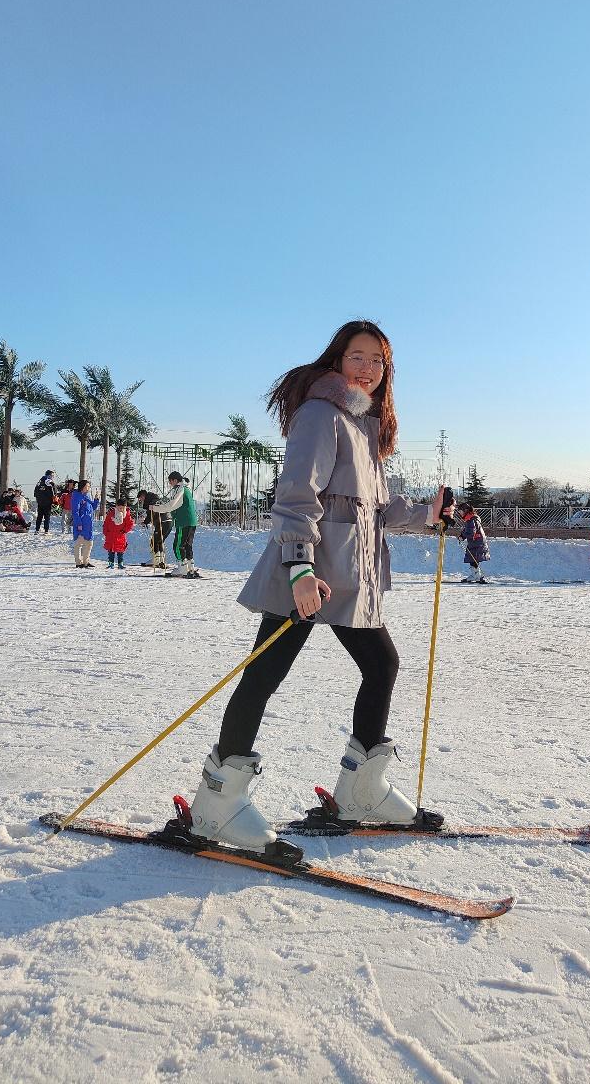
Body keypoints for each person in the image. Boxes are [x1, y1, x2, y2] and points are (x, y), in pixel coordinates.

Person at [182, 319, 453, 855]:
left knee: (381, 664)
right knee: (264, 675)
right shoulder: (320, 414)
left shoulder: (363, 425)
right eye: (357, 357)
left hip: (349, 577)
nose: (368, 369)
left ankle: (362, 790)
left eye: (378, 361)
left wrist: (427, 515)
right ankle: (217, 801)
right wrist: (300, 569)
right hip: (309, 575)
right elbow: (296, 496)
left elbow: (374, 508)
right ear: (336, 360)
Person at [152, 472, 200, 578]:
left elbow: (171, 505)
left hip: (183, 521)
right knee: (187, 545)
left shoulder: (180, 489)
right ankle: (190, 567)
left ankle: (182, 568)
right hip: (191, 521)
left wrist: (155, 508)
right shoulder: (186, 488)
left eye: (170, 481)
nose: (170, 483)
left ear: (175, 480)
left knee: (178, 545)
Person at [136, 489, 173, 569]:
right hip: (168, 522)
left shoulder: (152, 502)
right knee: (159, 541)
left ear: (143, 496)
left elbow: (151, 513)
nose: (141, 501)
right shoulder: (155, 499)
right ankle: (161, 560)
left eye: (140, 499)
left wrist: (145, 522)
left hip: (163, 522)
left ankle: (156, 560)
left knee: (154, 541)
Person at [70, 479, 100, 568]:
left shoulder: (87, 495)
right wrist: (78, 523)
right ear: (82, 487)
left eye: (89, 486)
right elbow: (75, 512)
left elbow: (93, 507)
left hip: (88, 523)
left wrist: (96, 499)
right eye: (87, 486)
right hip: (80, 523)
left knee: (89, 543)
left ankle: (86, 562)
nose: (89, 488)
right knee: (78, 543)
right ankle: (78, 563)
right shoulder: (76, 496)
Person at [457, 503, 490, 583]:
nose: (460, 513)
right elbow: (467, 530)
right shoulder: (471, 518)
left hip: (477, 542)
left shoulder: (471, 520)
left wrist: (463, 536)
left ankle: (476, 575)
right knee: (473, 559)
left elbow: (471, 532)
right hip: (477, 541)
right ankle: (476, 575)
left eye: (460, 511)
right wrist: (462, 535)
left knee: (473, 558)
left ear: (465, 510)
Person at [102, 500, 135, 569]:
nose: (121, 509)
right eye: (119, 508)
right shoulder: (111, 513)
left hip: (120, 535)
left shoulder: (126, 515)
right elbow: (106, 523)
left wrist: (124, 530)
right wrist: (106, 532)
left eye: (123, 508)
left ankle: (120, 564)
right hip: (110, 535)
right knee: (111, 550)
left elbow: (130, 524)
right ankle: (111, 563)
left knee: (120, 551)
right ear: (116, 507)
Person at [33, 470, 57, 534]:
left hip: (40, 502)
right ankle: (46, 531)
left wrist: (39, 499)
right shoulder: (49, 481)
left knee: (39, 517)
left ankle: (37, 530)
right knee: (47, 517)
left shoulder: (39, 482)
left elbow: (35, 492)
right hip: (47, 502)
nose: (52, 477)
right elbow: (54, 490)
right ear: (49, 475)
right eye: (52, 476)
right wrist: (54, 497)